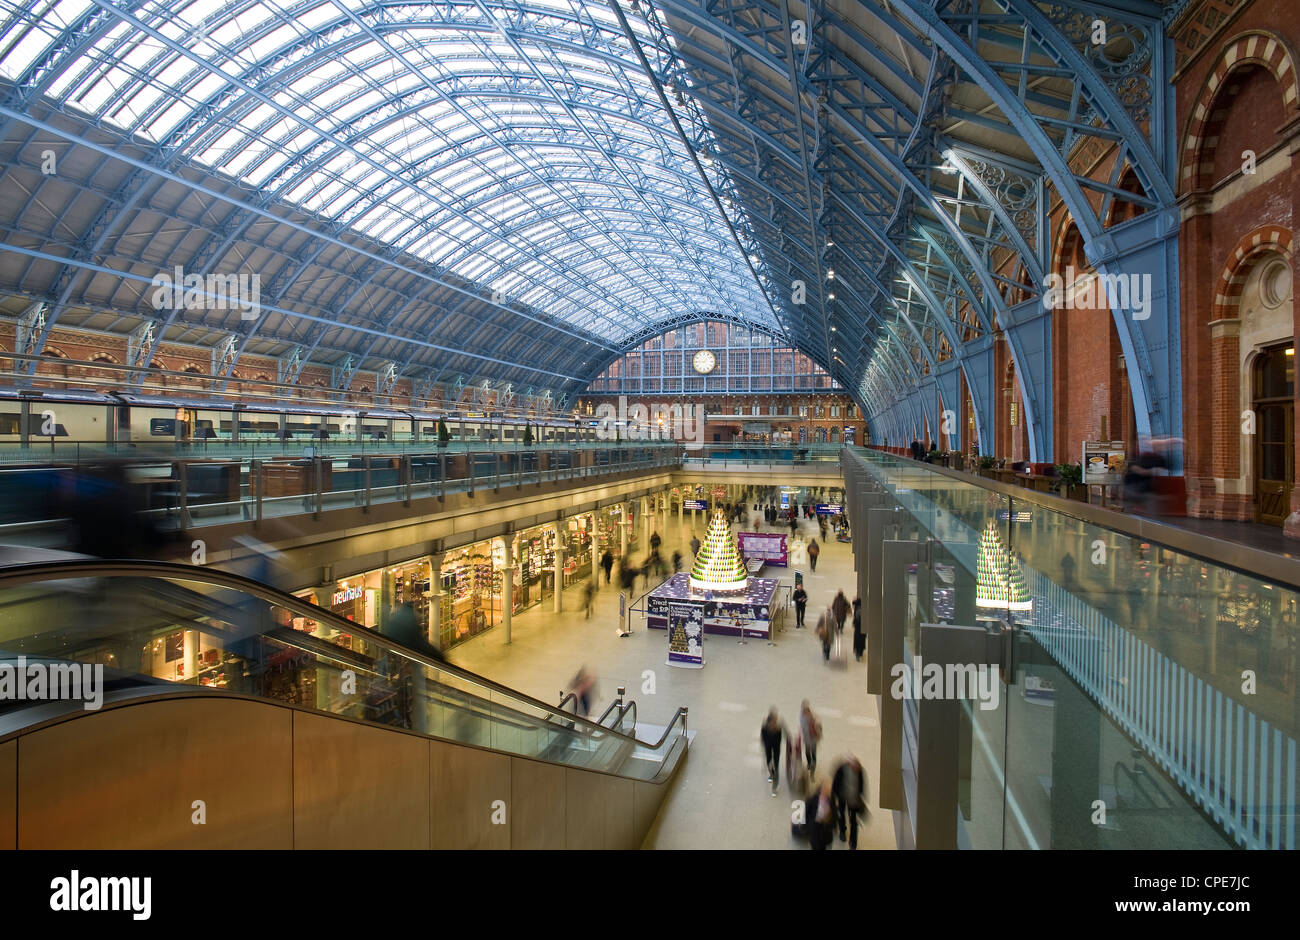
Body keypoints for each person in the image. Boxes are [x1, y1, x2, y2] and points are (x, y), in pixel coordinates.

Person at [831, 756, 867, 849]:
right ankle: (842, 831)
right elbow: (835, 783)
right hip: (842, 797)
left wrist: (860, 796)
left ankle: (853, 843)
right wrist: (834, 795)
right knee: (841, 814)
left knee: (854, 822)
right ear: (849, 765)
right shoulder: (842, 769)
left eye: (857, 768)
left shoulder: (860, 771)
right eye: (854, 767)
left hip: (854, 800)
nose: (855, 770)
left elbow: (862, 785)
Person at [760, 708, 785, 795]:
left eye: (775, 721)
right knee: (768, 763)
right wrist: (766, 745)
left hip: (776, 749)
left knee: (776, 766)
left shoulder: (778, 729)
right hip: (768, 748)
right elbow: (763, 739)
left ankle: (774, 787)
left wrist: (775, 731)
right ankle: (771, 774)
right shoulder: (764, 728)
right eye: (773, 722)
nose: (775, 723)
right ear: (769, 722)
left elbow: (779, 741)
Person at [807, 779, 834, 850]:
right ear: (821, 789)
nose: (828, 792)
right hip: (815, 832)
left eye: (829, 790)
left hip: (825, 834)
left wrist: (829, 822)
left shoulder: (831, 802)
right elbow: (806, 813)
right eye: (826, 789)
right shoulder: (813, 800)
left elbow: (834, 818)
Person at [800, 700, 822, 774]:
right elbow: (802, 727)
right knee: (807, 752)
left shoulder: (814, 717)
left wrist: (819, 735)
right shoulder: (802, 716)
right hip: (807, 738)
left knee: (813, 752)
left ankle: (813, 767)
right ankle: (809, 764)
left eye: (805, 710)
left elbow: (819, 727)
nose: (804, 711)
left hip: (813, 738)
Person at [851, 597, 865, 662]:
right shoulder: (863, 609)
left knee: (857, 640)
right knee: (862, 640)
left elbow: (853, 603)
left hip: (857, 628)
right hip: (862, 628)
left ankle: (857, 654)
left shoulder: (857, 608)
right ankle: (860, 653)